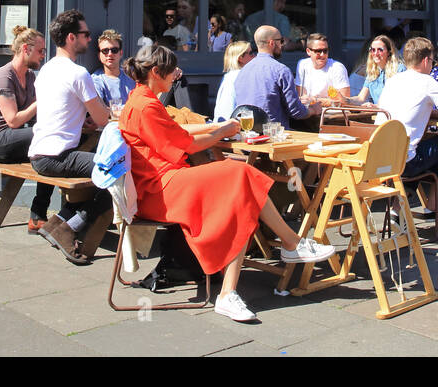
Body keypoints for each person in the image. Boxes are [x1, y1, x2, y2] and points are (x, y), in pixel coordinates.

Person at [120, 43, 336, 322]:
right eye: (173, 70)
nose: (176, 75)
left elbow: (176, 131)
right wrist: (222, 129)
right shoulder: (146, 104)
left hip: (160, 184)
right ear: (156, 72)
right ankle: (291, 245)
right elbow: (185, 143)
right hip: (161, 189)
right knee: (240, 175)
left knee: (239, 188)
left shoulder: (140, 99)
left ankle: (244, 280)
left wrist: (215, 127)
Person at [28, 10, 114, 265]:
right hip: (58, 157)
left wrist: (83, 120)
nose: (89, 39)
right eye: (85, 35)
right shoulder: (79, 74)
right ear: (70, 38)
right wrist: (113, 114)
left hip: (39, 154)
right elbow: (102, 120)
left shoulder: (46, 70)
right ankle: (71, 227)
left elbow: (64, 111)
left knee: (107, 169)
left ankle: (59, 221)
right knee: (120, 171)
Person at [377, 37, 438, 216]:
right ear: (426, 60)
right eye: (432, 61)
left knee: (415, 149)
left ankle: (396, 211)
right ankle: (434, 206)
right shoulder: (427, 81)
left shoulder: (393, 80)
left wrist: (428, 111)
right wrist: (436, 112)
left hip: (382, 158)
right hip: (404, 162)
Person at [0, 26, 52, 233]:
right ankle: (39, 215)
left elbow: (36, 115)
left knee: (52, 150)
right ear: (25, 49)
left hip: (12, 138)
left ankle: (38, 216)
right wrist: (43, 100)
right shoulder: (4, 77)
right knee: (47, 138)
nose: (44, 55)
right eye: (41, 51)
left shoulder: (31, 77)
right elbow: (13, 120)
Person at [233, 25, 323, 128]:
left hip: (247, 133)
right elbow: (296, 111)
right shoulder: (281, 70)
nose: (282, 45)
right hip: (272, 135)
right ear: (272, 43)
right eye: (281, 41)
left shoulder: (242, 71)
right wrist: (313, 110)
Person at [296, 32, 350, 102]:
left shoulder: (337, 68)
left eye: (325, 51)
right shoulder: (302, 64)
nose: (322, 55)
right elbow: (301, 97)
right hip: (309, 110)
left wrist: (314, 100)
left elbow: (344, 101)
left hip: (332, 112)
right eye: (318, 51)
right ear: (308, 51)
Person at [350, 34, 404, 105]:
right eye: (373, 50)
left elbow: (399, 99)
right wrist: (343, 99)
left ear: (389, 52)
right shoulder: (372, 71)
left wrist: (375, 106)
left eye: (380, 50)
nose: (376, 53)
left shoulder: (399, 69)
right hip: (378, 115)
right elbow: (361, 98)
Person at [93, 30, 135, 111]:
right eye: (105, 50)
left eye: (114, 50)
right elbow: (99, 110)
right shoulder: (95, 80)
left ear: (121, 53)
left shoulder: (131, 76)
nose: (110, 54)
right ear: (99, 55)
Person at [213, 39, 254, 121]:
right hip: (232, 126)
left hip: (224, 124)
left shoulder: (230, 76)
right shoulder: (240, 76)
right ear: (240, 58)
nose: (254, 56)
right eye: (251, 53)